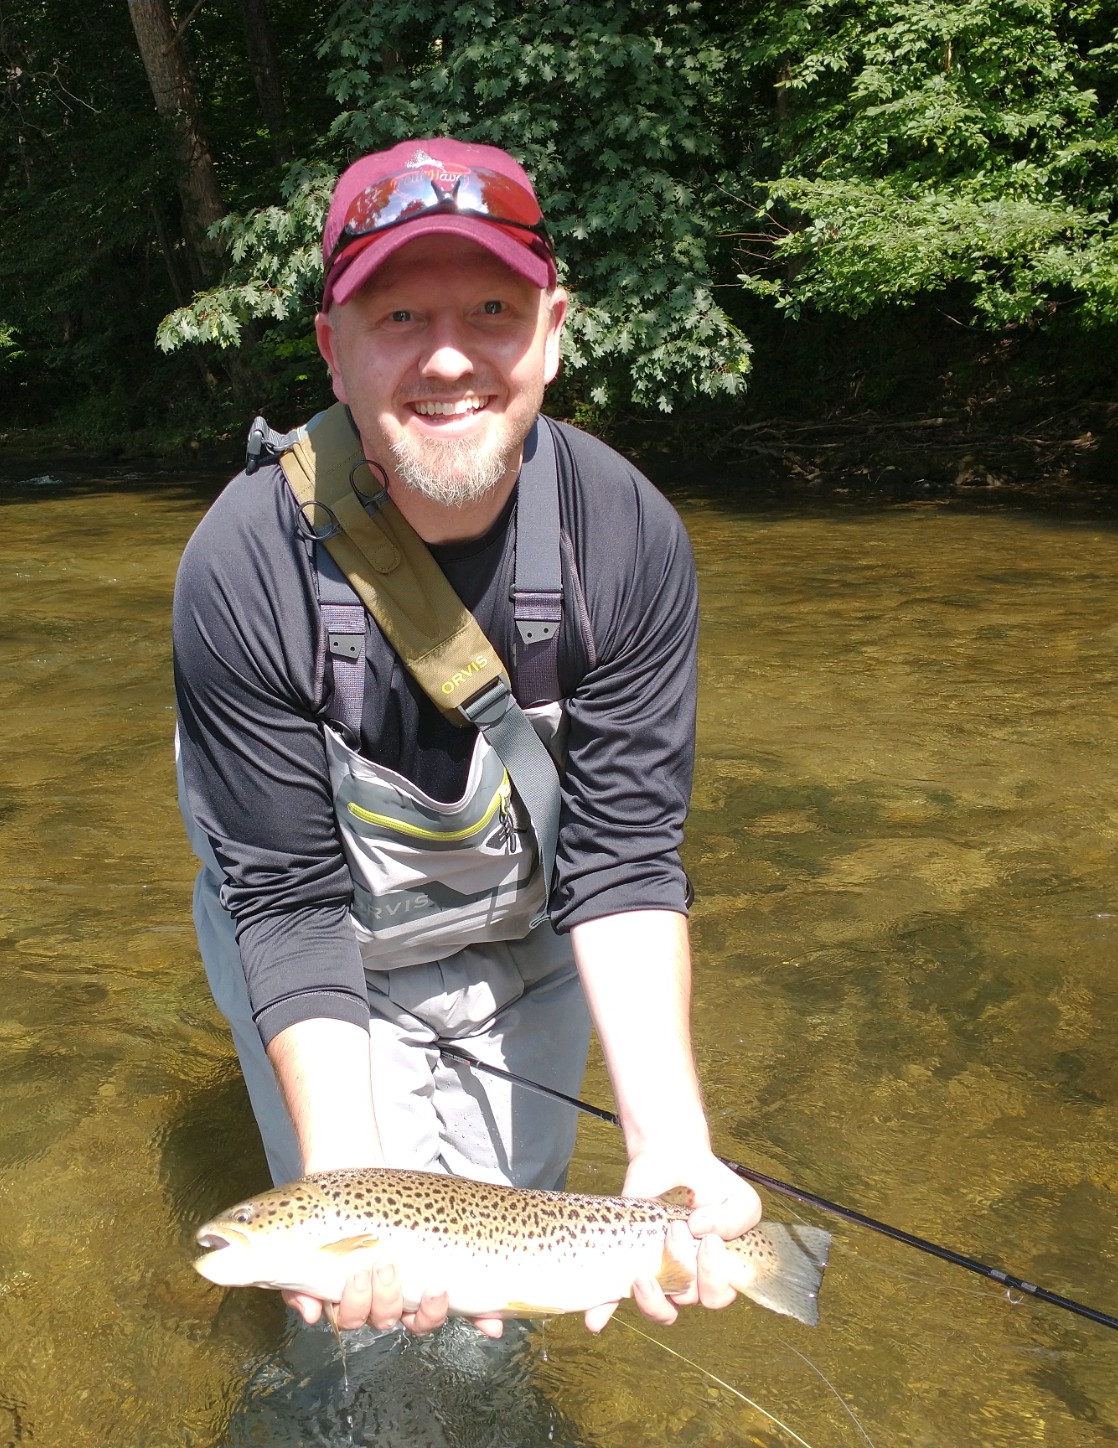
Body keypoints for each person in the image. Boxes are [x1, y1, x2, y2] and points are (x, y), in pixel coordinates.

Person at [172, 137, 759, 1341]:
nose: (447, 353)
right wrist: (348, 1202)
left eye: (490, 308)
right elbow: (281, 901)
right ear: (333, 350)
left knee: (515, 1263)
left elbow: (625, 857)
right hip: (320, 950)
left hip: (524, 927)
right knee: (364, 1328)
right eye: (398, 315)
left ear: (551, 328)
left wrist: (670, 1145)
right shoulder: (241, 565)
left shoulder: (626, 537)